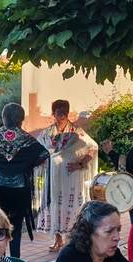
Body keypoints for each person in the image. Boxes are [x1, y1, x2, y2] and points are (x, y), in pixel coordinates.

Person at [0, 103, 50, 258]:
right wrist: (25, 166)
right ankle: (14, 261)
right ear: (21, 119)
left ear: (3, 118)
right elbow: (43, 154)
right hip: (19, 190)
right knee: (15, 228)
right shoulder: (26, 139)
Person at [36, 99, 98, 252]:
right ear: (53, 113)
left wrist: (81, 164)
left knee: (71, 206)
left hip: (71, 176)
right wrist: (42, 161)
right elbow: (37, 150)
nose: (62, 114)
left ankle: (72, 238)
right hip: (53, 176)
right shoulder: (47, 132)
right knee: (54, 204)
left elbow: (93, 147)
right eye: (59, 111)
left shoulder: (77, 131)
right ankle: (58, 239)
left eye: (65, 111)